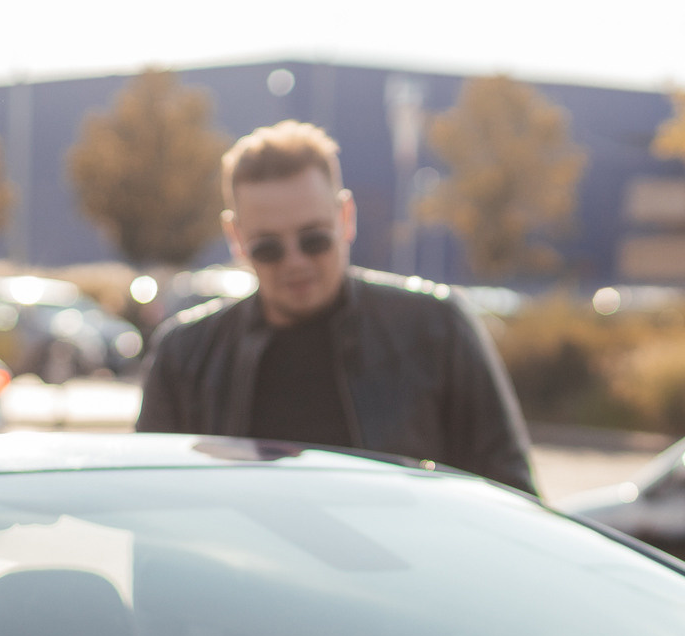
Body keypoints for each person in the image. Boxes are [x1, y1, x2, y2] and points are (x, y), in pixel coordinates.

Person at [136, 121, 536, 493]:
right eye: (268, 247)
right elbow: (151, 504)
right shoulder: (183, 355)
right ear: (236, 238)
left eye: (314, 239)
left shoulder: (436, 329)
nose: (295, 262)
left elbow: (513, 498)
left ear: (345, 217)